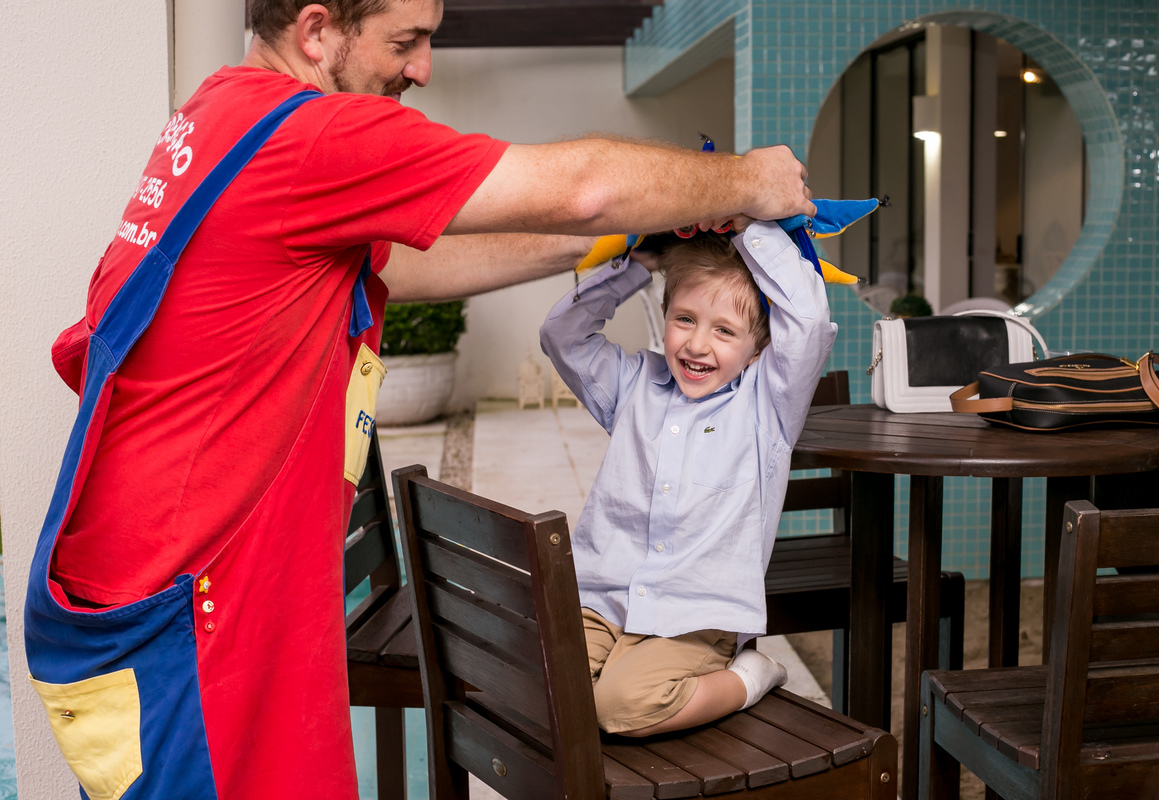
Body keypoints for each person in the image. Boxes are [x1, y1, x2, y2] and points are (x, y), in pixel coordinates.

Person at [25, 1, 816, 798]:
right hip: (192, 604)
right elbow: (583, 189)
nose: (423, 67)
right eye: (405, 41)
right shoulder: (315, 137)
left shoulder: (224, 114)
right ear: (316, 30)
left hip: (191, 580)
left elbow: (396, 268)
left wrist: (628, 242)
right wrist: (749, 179)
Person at [539, 225, 838, 736]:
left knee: (619, 707)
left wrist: (749, 228)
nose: (698, 344)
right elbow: (561, 335)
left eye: (725, 331)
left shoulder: (769, 406)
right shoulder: (632, 384)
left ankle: (749, 676)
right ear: (664, 316)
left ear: (759, 345)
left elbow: (809, 323)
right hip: (604, 600)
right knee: (541, 687)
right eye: (685, 319)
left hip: (695, 618)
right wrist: (640, 264)